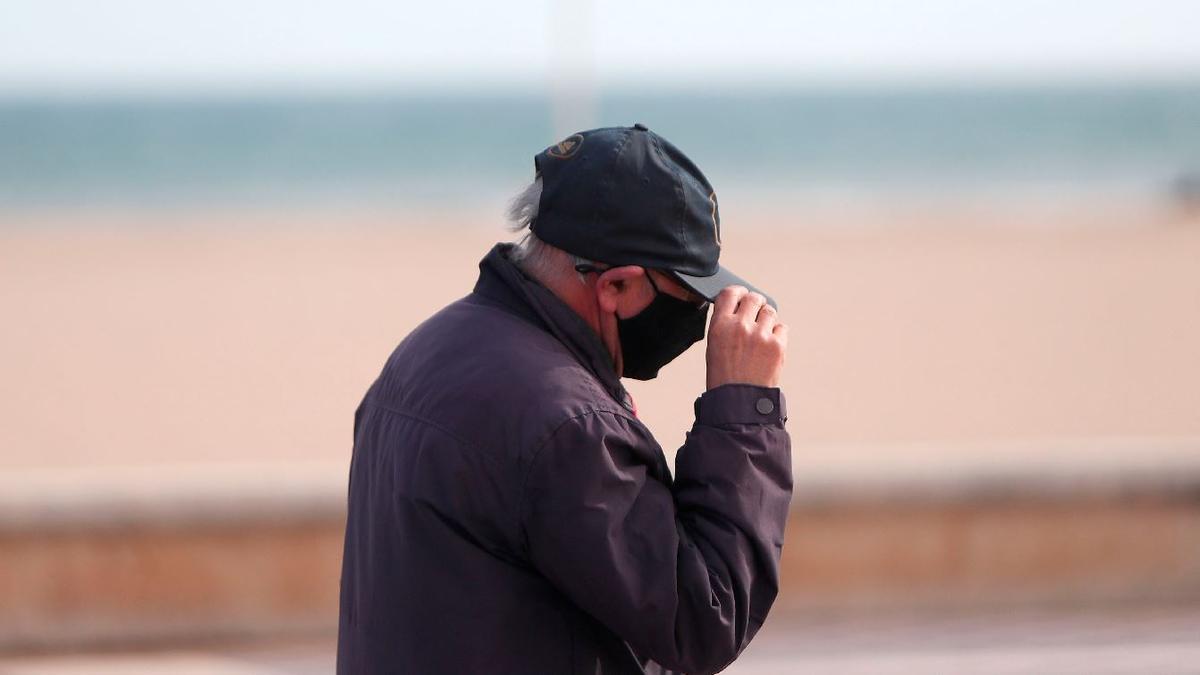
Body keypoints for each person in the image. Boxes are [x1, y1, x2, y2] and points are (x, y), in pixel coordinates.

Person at [337, 124, 792, 674]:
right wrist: (742, 409)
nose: (698, 322)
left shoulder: (424, 351)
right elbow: (704, 619)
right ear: (616, 286)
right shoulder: (567, 426)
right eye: (687, 298)